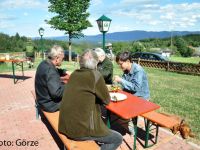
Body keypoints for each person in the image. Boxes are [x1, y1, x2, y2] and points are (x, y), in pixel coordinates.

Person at [58, 49, 122, 150]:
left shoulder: (74, 74)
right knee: (117, 138)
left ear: (80, 62)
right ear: (96, 63)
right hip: (80, 130)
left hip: (64, 124)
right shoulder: (95, 75)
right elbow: (106, 100)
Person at [35, 45, 70, 112]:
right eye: (62, 59)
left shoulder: (43, 63)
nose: (62, 61)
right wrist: (69, 85)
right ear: (57, 58)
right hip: (49, 105)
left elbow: (55, 70)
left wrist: (64, 71)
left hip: (41, 98)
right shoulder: (51, 71)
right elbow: (56, 94)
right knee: (74, 97)